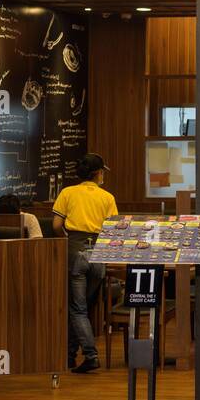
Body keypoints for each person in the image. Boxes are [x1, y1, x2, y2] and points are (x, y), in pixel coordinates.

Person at [52, 153, 118, 374]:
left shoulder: (67, 193)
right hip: (99, 253)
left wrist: (67, 241)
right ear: (98, 173)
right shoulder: (107, 197)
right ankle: (70, 355)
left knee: (77, 309)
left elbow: (56, 224)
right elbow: (113, 228)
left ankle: (90, 355)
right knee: (83, 308)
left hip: (75, 250)